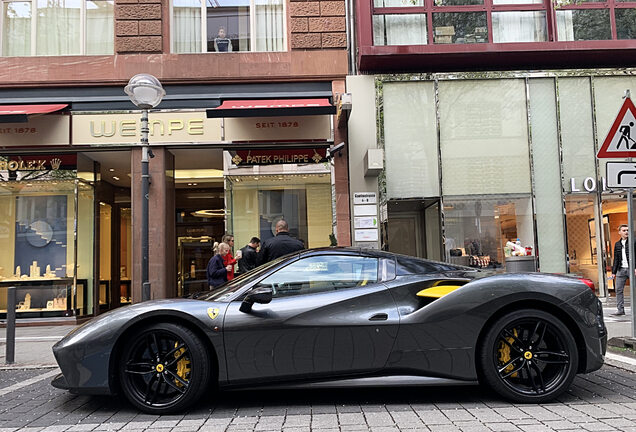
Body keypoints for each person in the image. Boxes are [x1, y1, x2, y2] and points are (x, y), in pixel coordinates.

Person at [610, 224, 632, 316]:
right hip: (621, 269)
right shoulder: (617, 244)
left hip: (631, 269)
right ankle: (620, 310)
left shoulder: (633, 241)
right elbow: (616, 259)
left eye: (627, 230)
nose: (626, 232)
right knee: (618, 290)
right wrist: (613, 272)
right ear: (619, 232)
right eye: (624, 230)